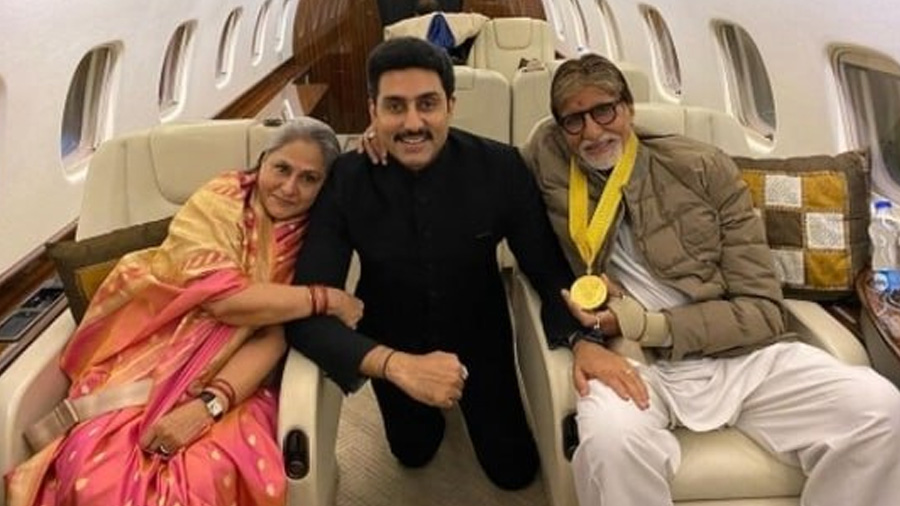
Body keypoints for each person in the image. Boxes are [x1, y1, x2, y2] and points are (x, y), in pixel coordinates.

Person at [519, 53, 900, 506]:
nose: (592, 132)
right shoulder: (549, 158)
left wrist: (647, 324)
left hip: (741, 356)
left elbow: (763, 310)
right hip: (637, 363)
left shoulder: (704, 168)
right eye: (574, 120)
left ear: (629, 108)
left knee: (880, 410)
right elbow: (514, 163)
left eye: (605, 111)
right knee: (611, 444)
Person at [5, 118, 364, 506]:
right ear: (262, 161)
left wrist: (208, 405)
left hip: (239, 379)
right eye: (282, 169)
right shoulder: (220, 199)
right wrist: (324, 298)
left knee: (201, 480)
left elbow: (274, 335)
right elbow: (225, 301)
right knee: (97, 480)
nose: (290, 188)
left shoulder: (314, 235)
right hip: (146, 355)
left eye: (309, 179)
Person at [285, 37, 582, 491]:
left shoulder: (501, 168)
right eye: (395, 107)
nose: (412, 123)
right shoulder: (346, 180)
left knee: (515, 473)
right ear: (372, 111)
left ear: (451, 106)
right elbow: (307, 315)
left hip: (482, 336)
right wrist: (395, 366)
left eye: (427, 104)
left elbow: (547, 271)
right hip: (391, 337)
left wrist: (581, 339)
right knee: (413, 454)